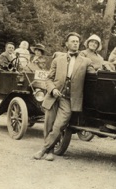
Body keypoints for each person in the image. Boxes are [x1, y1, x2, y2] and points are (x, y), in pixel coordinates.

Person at [33, 32, 94, 161]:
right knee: (49, 125)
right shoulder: (57, 60)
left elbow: (94, 75)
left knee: (59, 126)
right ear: (67, 44)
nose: (75, 43)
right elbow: (48, 79)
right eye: (73, 41)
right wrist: (53, 89)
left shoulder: (86, 61)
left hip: (69, 99)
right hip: (53, 96)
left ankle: (43, 150)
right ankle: (49, 151)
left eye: (77, 41)